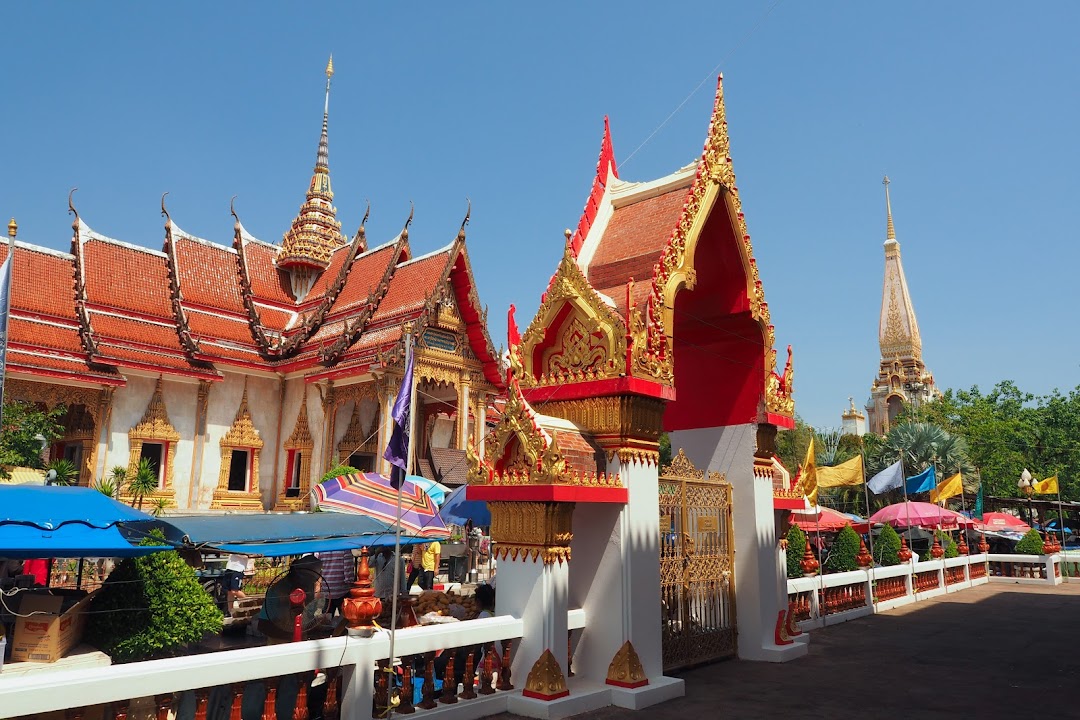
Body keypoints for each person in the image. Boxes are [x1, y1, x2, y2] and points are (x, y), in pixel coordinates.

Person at [316, 549, 356, 616]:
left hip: (327, 590)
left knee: (326, 619)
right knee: (345, 618)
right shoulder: (345, 549)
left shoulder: (322, 550)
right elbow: (348, 571)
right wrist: (351, 584)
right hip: (342, 590)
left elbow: (319, 569)